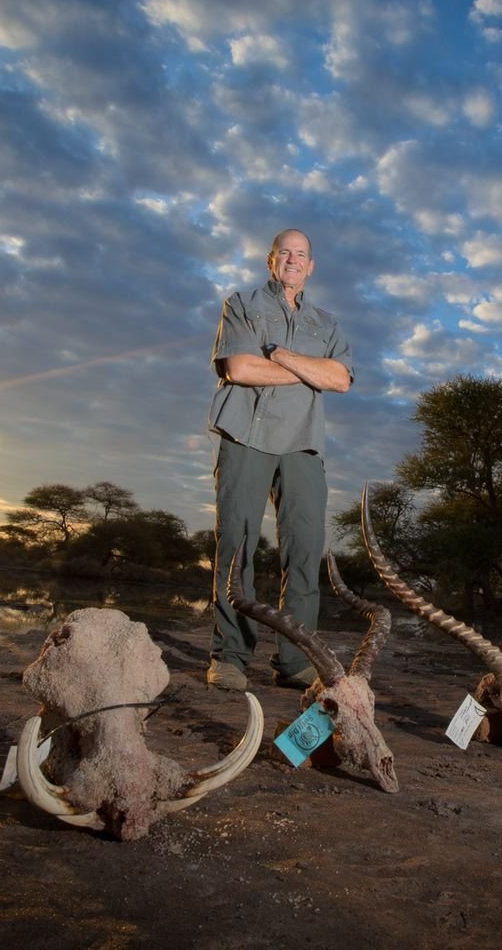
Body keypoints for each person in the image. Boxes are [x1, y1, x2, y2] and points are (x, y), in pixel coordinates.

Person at [205, 228, 353, 691]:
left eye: (301, 254)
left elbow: (342, 379)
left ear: (311, 267)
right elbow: (241, 368)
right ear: (271, 261)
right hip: (245, 435)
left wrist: (285, 356)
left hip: (303, 444)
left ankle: (296, 661)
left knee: (306, 549)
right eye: (284, 252)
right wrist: (312, 371)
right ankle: (229, 657)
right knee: (238, 544)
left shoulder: (327, 323)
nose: (293, 259)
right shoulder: (243, 304)